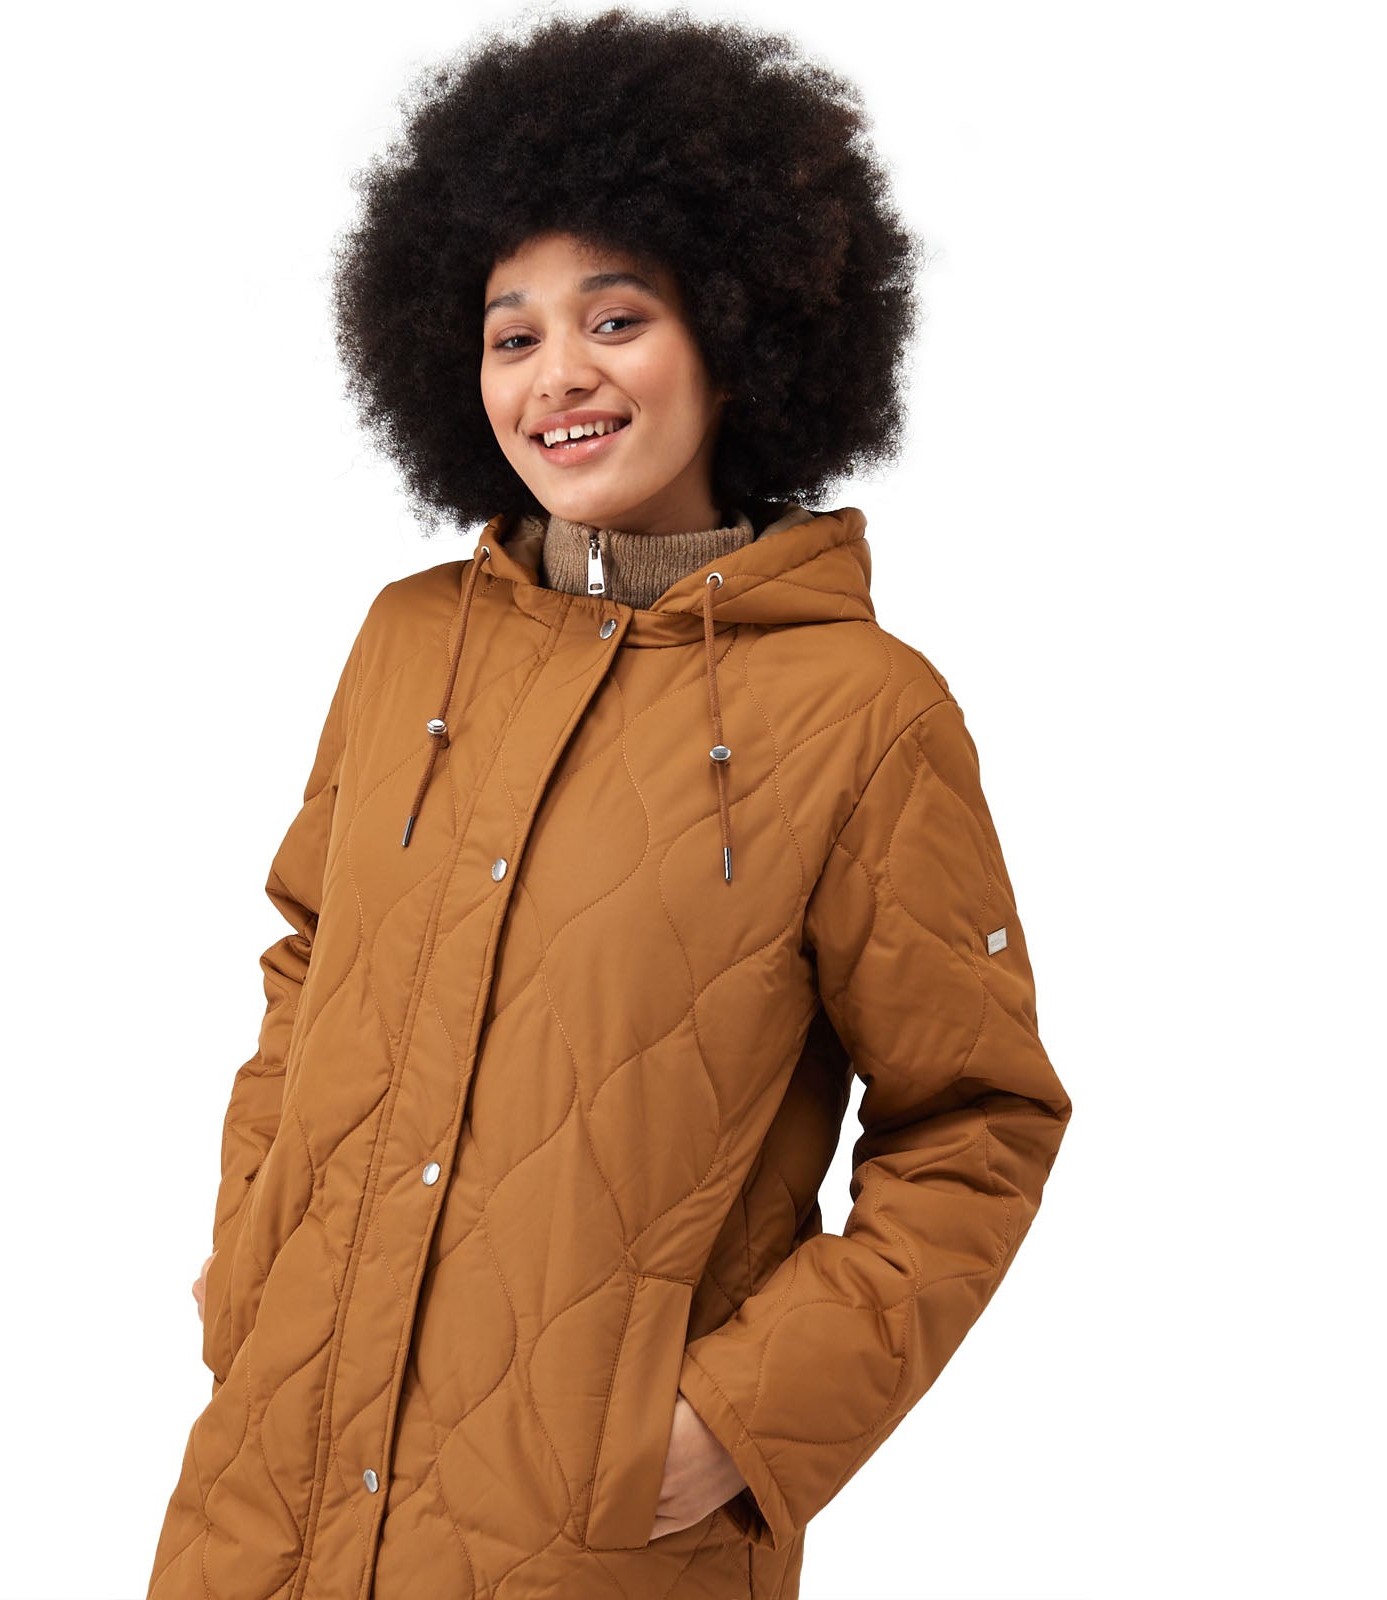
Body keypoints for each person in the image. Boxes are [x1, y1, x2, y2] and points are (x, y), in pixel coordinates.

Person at [147, 11, 1074, 1599]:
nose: (559, 374)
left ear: (738, 332)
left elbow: (974, 1125)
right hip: (269, 1495)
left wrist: (737, 1422)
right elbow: (309, 957)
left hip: (590, 1540)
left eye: (618, 318)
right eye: (511, 335)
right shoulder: (407, 643)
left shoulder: (865, 714)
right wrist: (253, 1253)